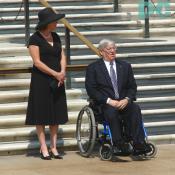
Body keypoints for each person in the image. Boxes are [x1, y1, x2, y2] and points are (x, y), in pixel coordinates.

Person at [85, 39, 151, 156]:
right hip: (105, 104)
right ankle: (118, 143)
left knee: (135, 109)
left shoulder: (125, 66)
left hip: (123, 102)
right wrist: (109, 101)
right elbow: (91, 90)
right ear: (101, 52)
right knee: (111, 112)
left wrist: (127, 99)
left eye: (114, 48)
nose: (112, 51)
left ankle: (138, 143)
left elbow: (132, 87)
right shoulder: (93, 68)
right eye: (109, 49)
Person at [25, 7, 68, 160]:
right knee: (42, 114)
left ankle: (54, 146)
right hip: (41, 80)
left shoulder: (56, 36)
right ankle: (43, 147)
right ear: (47, 23)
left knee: (56, 113)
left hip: (58, 79)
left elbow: (62, 55)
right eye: (54, 21)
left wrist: (62, 71)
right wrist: (55, 74)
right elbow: (37, 62)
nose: (56, 23)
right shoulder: (34, 39)